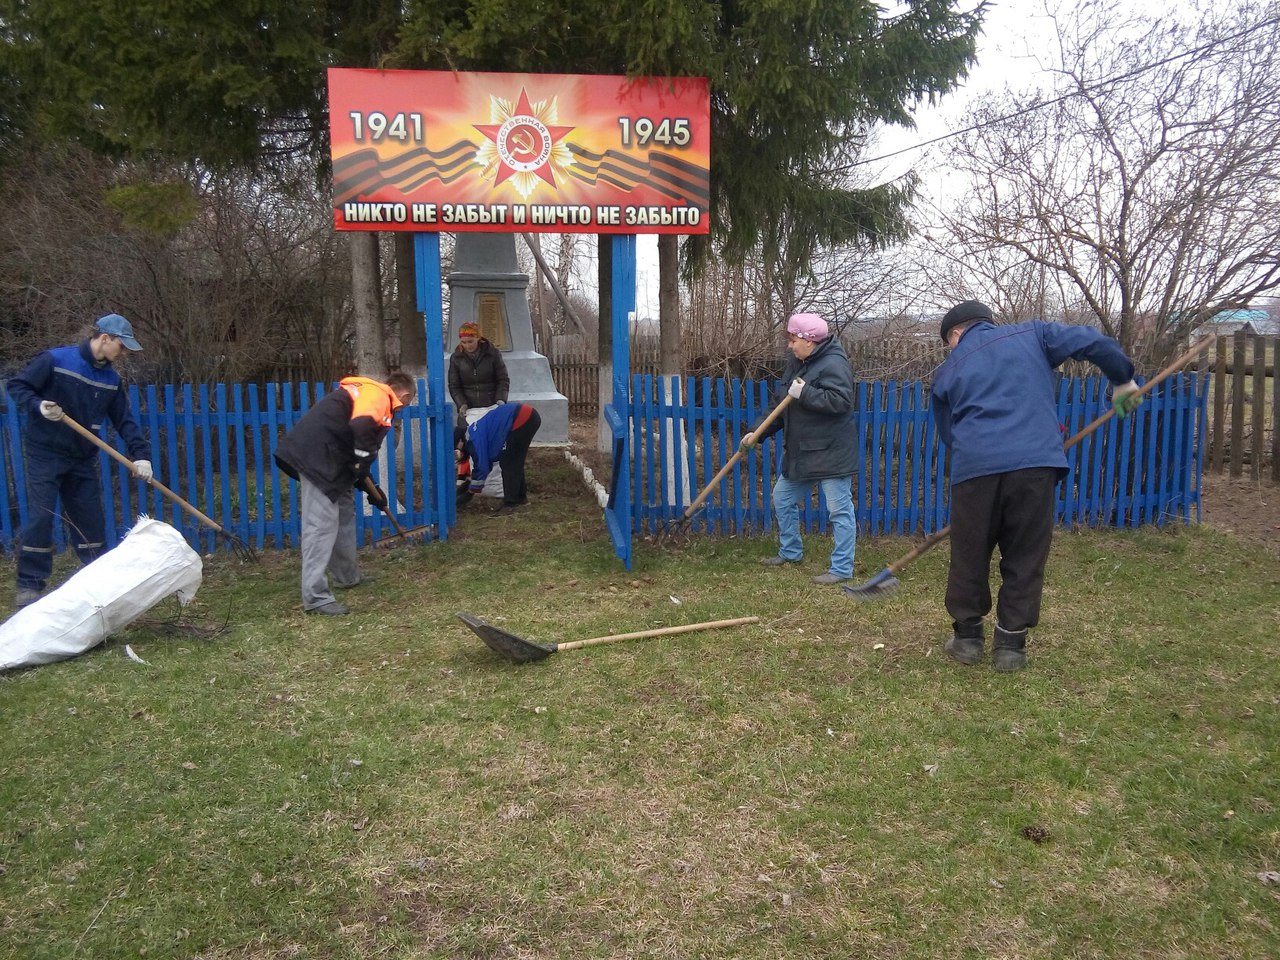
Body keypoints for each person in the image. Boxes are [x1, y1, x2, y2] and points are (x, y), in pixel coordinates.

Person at [931, 300, 1143, 671]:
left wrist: (979, 453)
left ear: (956, 333)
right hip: (1034, 464)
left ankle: (967, 639)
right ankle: (1010, 647)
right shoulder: (1034, 334)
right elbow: (1093, 342)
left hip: (975, 467)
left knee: (970, 552)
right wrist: (1122, 379)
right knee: (1026, 552)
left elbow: (949, 434)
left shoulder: (948, 369)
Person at [7, 314, 152, 610]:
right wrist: (38, 405)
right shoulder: (56, 360)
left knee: (91, 523)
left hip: (81, 459)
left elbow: (124, 421)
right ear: (104, 338)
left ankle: (96, 586)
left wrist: (141, 455)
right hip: (45, 453)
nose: (123, 354)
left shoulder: (111, 380)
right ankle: (29, 586)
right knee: (41, 517)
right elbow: (18, 387)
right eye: (122, 347)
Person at [273, 371, 415, 616]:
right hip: (317, 458)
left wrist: (368, 484)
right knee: (320, 526)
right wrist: (362, 463)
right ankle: (316, 597)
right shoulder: (380, 395)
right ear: (405, 395)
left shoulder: (365, 394)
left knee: (344, 513)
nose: (400, 411)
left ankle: (347, 576)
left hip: (332, 458)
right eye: (405, 405)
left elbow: (356, 443)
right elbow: (362, 429)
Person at [740, 312, 857, 585]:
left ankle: (841, 568)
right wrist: (757, 432)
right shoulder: (797, 363)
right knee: (782, 497)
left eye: (793, 340)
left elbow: (840, 402)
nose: (789, 346)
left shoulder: (833, 364)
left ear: (809, 340)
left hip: (831, 451)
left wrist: (804, 393)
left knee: (839, 511)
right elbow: (779, 405)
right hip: (803, 450)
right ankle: (790, 552)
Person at [463, 401, 542, 515]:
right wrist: (473, 482)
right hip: (527, 415)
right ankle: (520, 497)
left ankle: (510, 505)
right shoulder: (474, 431)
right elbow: (486, 463)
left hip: (521, 417)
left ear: (460, 442)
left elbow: (482, 466)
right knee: (514, 459)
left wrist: (472, 490)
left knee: (508, 462)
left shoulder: (475, 438)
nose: (458, 454)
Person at [448, 322, 509, 427]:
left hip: (491, 404)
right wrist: (461, 404)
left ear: (478, 338)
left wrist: (501, 399)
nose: (468, 345)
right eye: (464, 342)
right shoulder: (456, 358)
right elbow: (454, 385)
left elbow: (502, 379)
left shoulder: (492, 354)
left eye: (470, 341)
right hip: (469, 407)